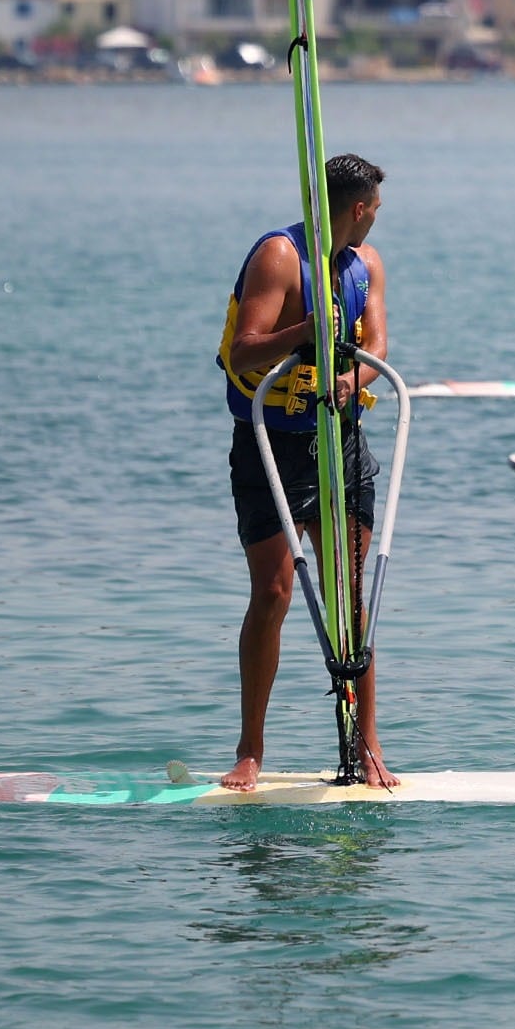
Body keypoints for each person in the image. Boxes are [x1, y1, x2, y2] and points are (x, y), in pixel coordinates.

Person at [217, 153, 395, 791]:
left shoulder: (365, 264)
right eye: (376, 208)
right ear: (357, 207)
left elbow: (376, 344)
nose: (378, 218)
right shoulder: (279, 256)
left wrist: (354, 376)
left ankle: (367, 743)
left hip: (340, 442)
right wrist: (307, 330)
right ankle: (250, 749)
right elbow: (244, 348)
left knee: (350, 597)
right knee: (273, 593)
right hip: (272, 443)